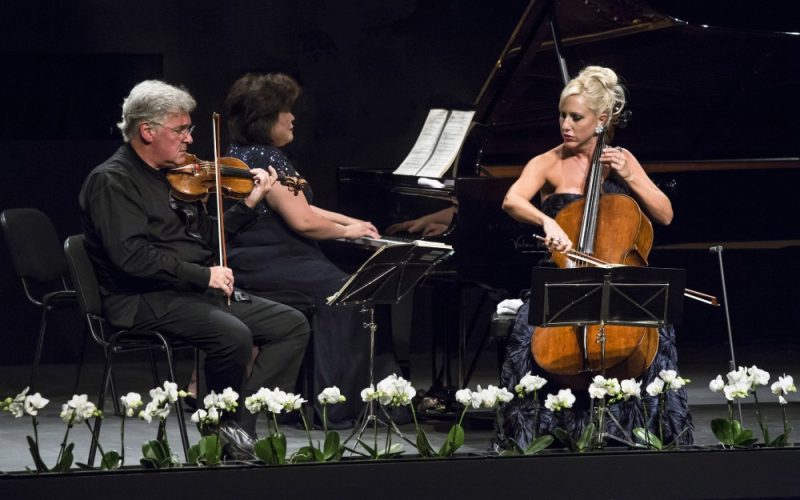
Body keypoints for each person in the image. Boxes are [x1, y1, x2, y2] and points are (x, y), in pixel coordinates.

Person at [79, 80, 311, 453]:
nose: (189, 139)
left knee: (291, 325)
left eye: (189, 129)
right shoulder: (112, 181)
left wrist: (248, 205)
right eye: (181, 129)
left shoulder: (173, 176)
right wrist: (204, 275)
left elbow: (203, 237)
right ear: (147, 131)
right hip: (141, 299)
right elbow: (131, 257)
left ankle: (236, 427)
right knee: (233, 335)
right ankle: (224, 430)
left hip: (186, 292)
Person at [498, 66, 692, 448]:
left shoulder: (622, 159)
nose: (566, 125)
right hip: (562, 275)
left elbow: (665, 215)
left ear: (602, 120)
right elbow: (512, 200)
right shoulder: (547, 162)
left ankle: (645, 432)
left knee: (658, 328)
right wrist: (547, 222)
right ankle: (538, 434)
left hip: (614, 276)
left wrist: (631, 176)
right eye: (562, 115)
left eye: (576, 117)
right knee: (527, 330)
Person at [221, 72, 404, 426]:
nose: (292, 117)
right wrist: (347, 232)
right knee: (350, 293)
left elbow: (300, 205)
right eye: (285, 110)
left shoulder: (242, 152)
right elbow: (303, 222)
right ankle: (339, 405)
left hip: (262, 256)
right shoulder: (265, 155)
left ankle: (357, 394)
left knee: (355, 286)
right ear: (265, 118)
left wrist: (349, 222)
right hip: (270, 259)